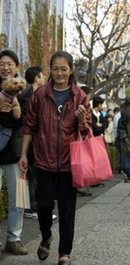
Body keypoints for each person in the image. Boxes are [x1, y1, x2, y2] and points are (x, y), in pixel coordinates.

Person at [19, 50, 92, 265]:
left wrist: (81, 120)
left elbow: (86, 131)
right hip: (43, 160)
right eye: (55, 69)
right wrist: (23, 154)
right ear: (50, 69)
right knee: (42, 206)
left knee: (67, 210)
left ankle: (64, 253)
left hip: (70, 162)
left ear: (71, 71)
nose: (59, 73)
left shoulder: (80, 95)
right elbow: (29, 125)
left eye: (64, 69)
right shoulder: (40, 94)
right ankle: (46, 236)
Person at [0, 49, 28, 255]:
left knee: (18, 197)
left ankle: (14, 238)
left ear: (17, 67)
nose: (5, 67)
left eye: (9, 63)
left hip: (17, 152)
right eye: (2, 64)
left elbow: (25, 119)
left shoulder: (26, 92)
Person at [22, 66, 59, 219]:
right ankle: (33, 208)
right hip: (32, 144)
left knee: (36, 179)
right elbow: (28, 123)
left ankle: (37, 207)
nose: (44, 78)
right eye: (42, 76)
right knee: (35, 179)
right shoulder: (27, 96)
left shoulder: (39, 94)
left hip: (39, 144)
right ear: (37, 77)